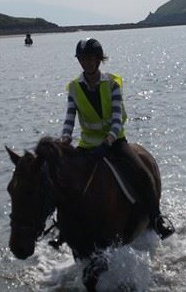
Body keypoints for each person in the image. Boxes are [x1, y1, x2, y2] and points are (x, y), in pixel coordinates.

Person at [61, 38, 175, 239]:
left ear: (98, 60)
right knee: (64, 180)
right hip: (87, 145)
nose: (85, 63)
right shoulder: (74, 87)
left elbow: (116, 118)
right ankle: (63, 229)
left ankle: (156, 218)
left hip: (114, 142)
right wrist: (64, 140)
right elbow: (69, 119)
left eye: (90, 58)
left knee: (142, 173)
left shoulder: (112, 84)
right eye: (82, 59)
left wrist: (108, 141)